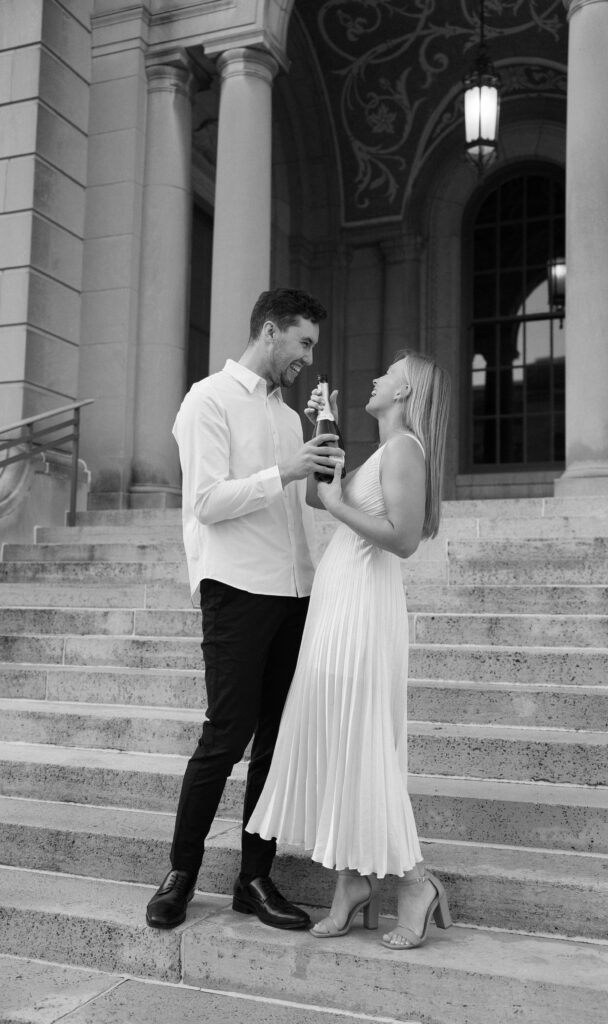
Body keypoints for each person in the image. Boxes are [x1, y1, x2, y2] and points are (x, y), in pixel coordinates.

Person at [146, 288, 344, 931]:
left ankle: (254, 879)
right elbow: (206, 501)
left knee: (275, 746)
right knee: (224, 736)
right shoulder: (207, 399)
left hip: (294, 592)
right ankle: (180, 874)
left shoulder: (290, 417)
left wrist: (323, 468)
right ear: (269, 331)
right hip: (235, 589)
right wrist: (285, 471)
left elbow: (305, 502)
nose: (309, 359)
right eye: (303, 343)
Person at [246, 350, 453, 950]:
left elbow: (405, 540)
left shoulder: (407, 450)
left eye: (387, 373)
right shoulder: (384, 452)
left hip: (365, 607)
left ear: (406, 392)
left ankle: (415, 884)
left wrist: (337, 505)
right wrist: (323, 428)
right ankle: (351, 881)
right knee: (339, 736)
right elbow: (319, 497)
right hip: (339, 605)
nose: (376, 376)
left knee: (362, 739)